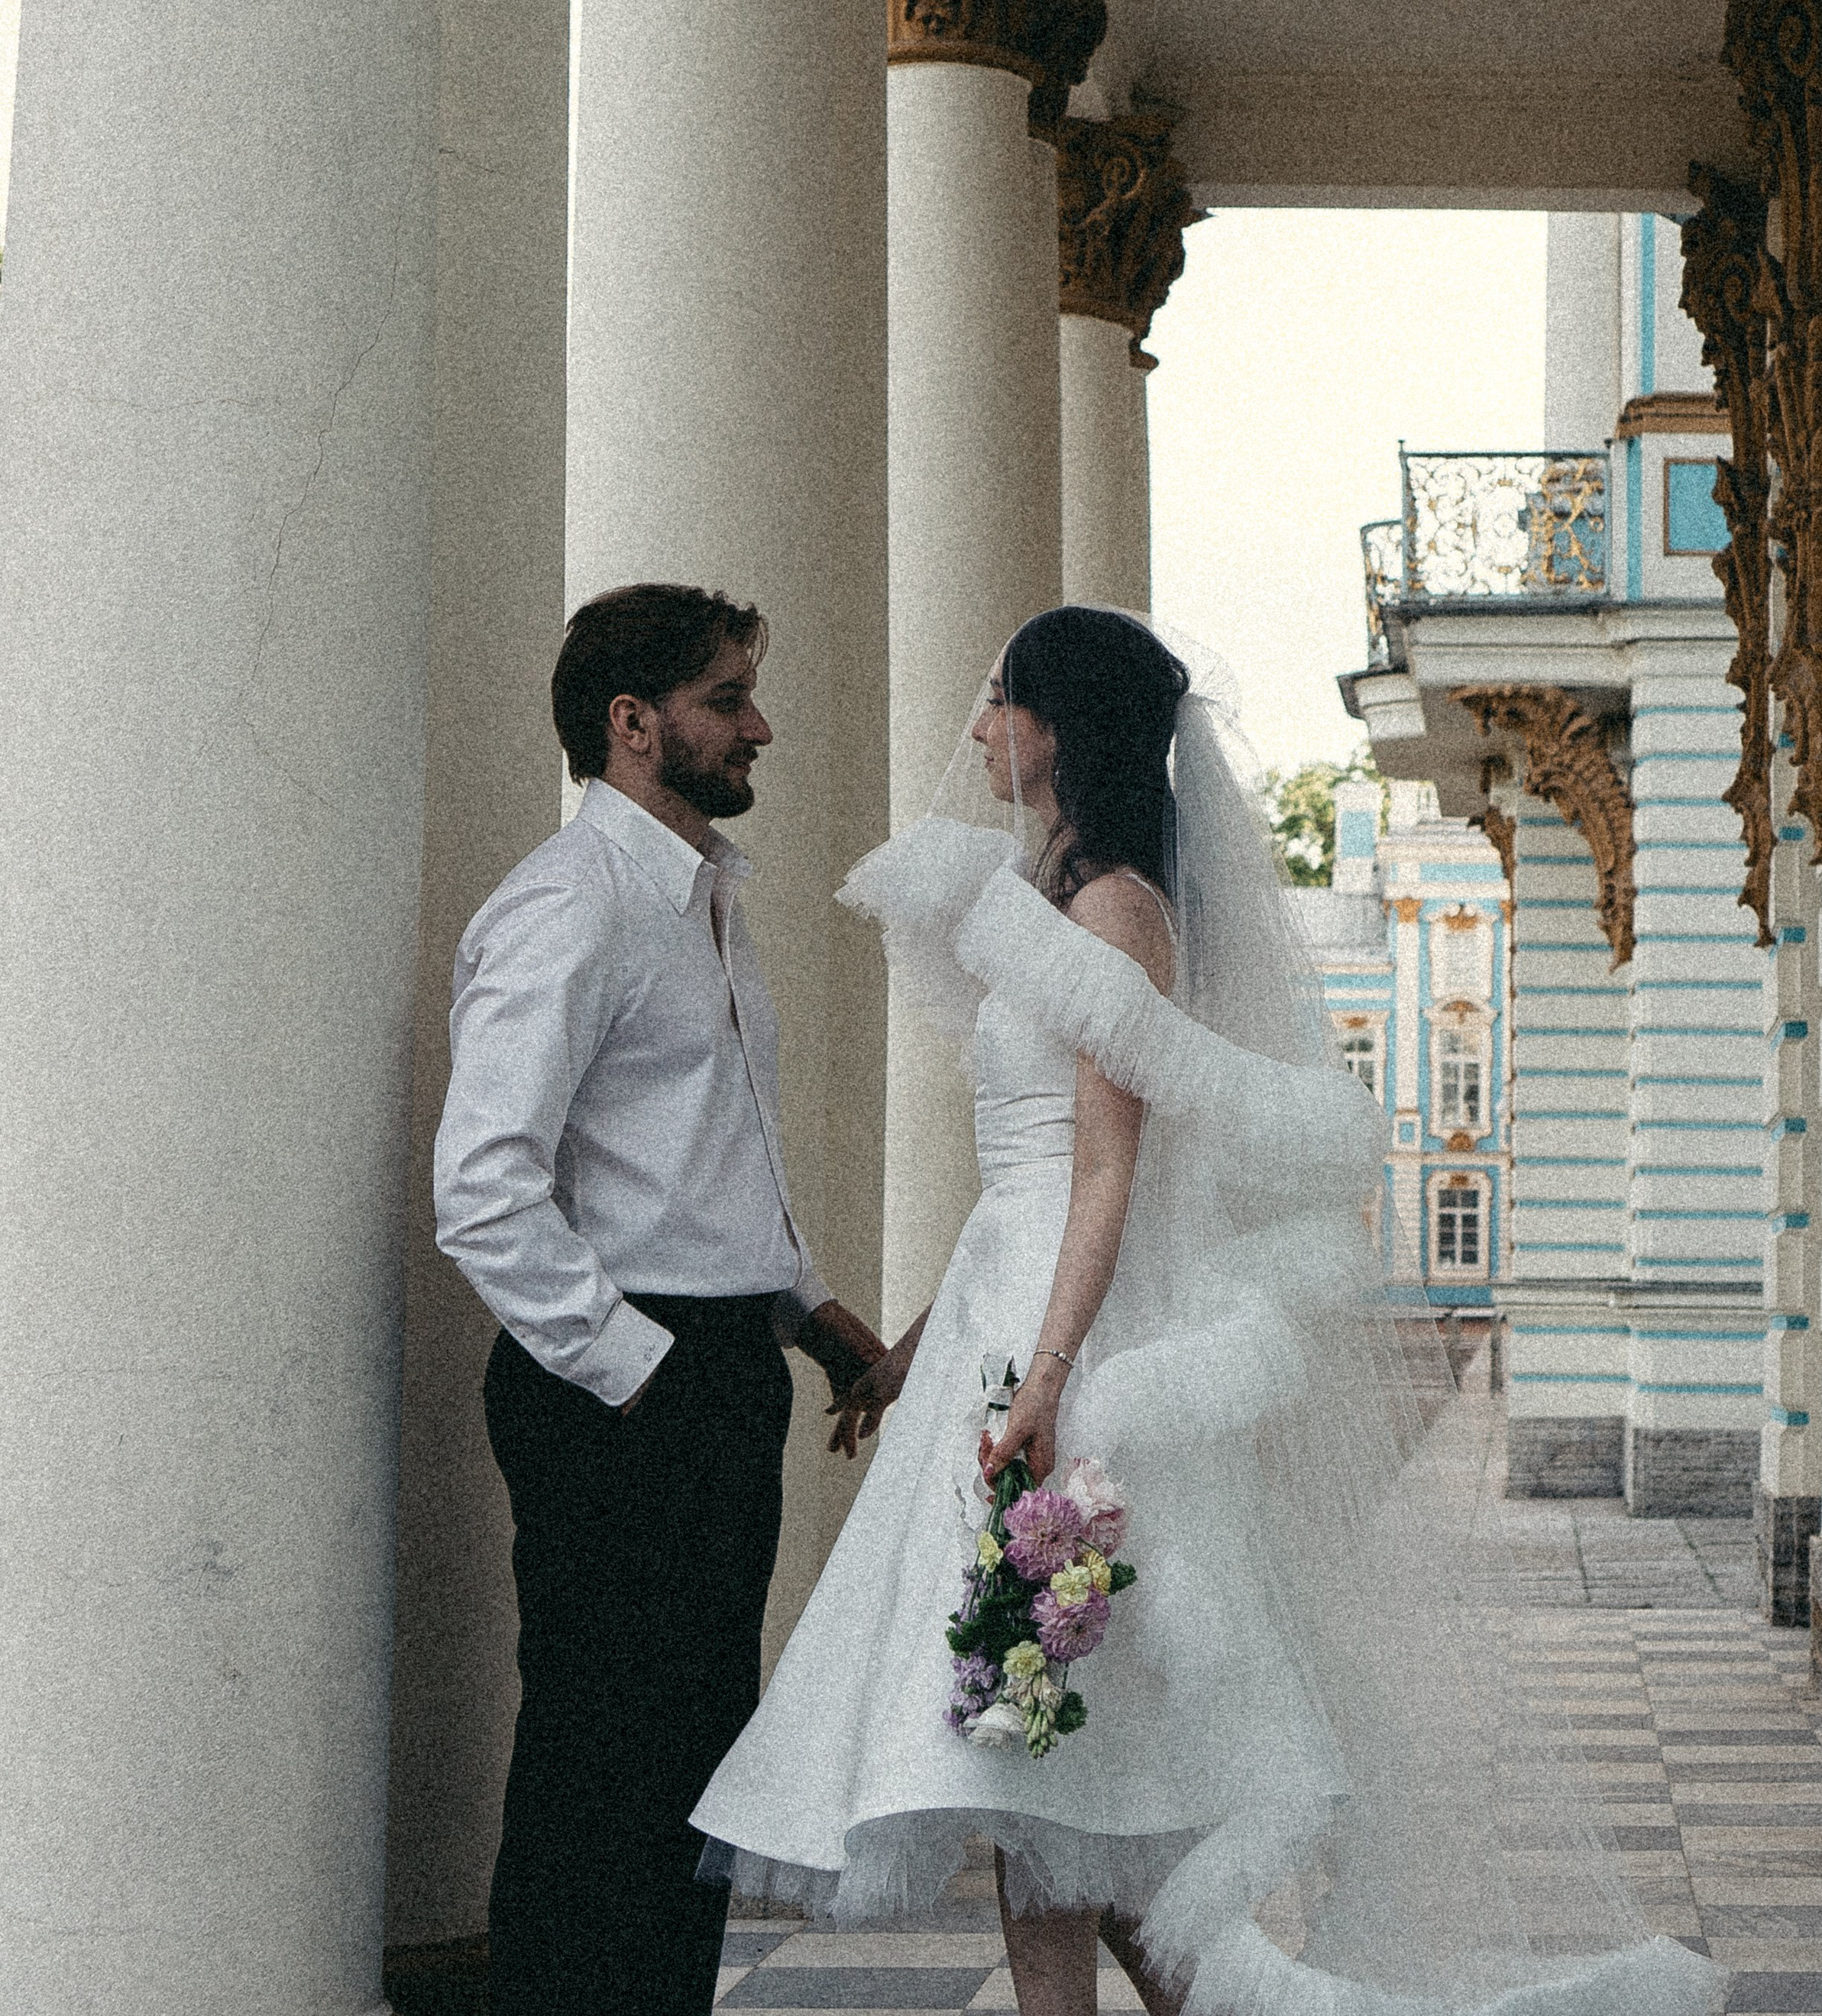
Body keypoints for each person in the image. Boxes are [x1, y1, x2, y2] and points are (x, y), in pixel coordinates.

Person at [693, 606, 1727, 2016]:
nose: (975, 729)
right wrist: (920, 1351)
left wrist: (1046, 1379)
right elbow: (1020, 1185)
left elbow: (1108, 1168)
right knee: (1024, 1756)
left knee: (1061, 1751)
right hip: (1009, 1319)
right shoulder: (1050, 899)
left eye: (999, 700)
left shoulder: (1114, 906)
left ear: (1058, 729)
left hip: (1073, 1343)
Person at [434, 581, 885, 2016]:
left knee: (694, 1765)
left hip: (709, 1363)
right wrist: (643, 1371)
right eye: (727, 698)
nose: (763, 726)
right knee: (598, 1764)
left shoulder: (704, 895)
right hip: (619, 1382)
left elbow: (703, 1163)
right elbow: (485, 1186)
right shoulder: (572, 906)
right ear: (633, 726)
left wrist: (814, 1319)